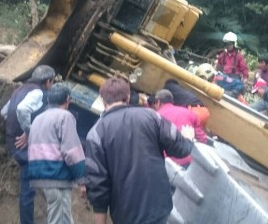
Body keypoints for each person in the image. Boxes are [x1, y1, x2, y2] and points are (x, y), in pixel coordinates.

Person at [85, 78, 195, 224]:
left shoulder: (95, 134)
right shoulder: (151, 116)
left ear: (103, 100)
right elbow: (180, 148)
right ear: (128, 97)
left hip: (126, 215)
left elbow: (97, 182)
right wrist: (188, 139)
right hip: (159, 208)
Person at [0, 65, 56, 224]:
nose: (51, 86)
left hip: (14, 145)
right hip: (25, 148)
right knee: (28, 190)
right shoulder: (37, 92)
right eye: (51, 82)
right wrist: (29, 131)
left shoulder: (20, 89)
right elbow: (22, 109)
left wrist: (17, 128)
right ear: (47, 82)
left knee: (29, 183)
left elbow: (4, 112)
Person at [28, 83, 85, 224]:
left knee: (63, 218)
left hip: (39, 176)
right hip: (56, 176)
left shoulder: (37, 119)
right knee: (60, 220)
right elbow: (72, 151)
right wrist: (82, 180)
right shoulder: (65, 117)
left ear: (48, 100)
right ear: (67, 99)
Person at [153, 89, 207, 167]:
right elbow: (202, 139)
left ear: (158, 102)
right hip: (191, 161)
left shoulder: (155, 117)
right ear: (172, 101)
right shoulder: (188, 112)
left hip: (167, 165)